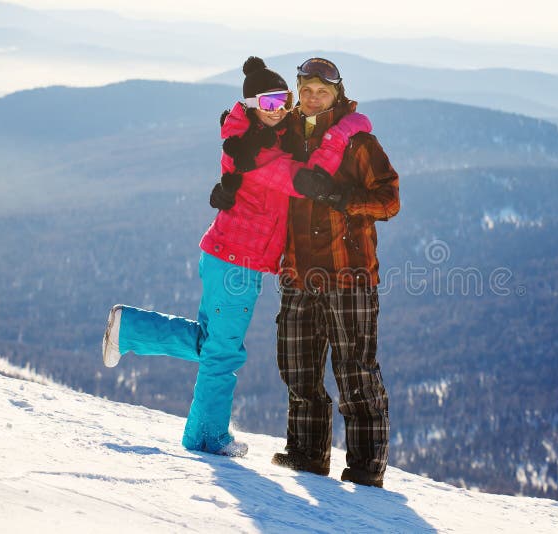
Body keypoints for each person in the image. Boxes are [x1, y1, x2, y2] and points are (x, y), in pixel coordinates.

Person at [100, 57, 371, 457]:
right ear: (249, 103)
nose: (277, 107)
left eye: (282, 98)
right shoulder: (252, 153)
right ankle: (206, 437)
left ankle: (130, 330)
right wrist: (348, 127)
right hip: (236, 264)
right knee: (223, 354)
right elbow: (309, 178)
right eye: (266, 100)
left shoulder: (260, 136)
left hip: (228, 256)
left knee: (214, 344)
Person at [270, 57, 400, 487]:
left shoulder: (358, 143)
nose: (312, 98)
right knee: (298, 367)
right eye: (305, 90)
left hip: (349, 275)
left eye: (321, 92)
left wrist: (338, 196)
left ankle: (366, 469)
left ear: (337, 94)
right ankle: (307, 456)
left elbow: (389, 199)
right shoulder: (285, 134)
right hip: (298, 272)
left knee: (355, 371)